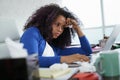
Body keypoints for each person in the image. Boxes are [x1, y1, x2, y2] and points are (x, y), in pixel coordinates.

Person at [20, 3, 92, 67]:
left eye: (63, 27)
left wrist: (77, 28)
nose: (60, 30)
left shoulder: (54, 47)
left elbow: (87, 51)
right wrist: (65, 59)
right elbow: (31, 61)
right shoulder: (32, 33)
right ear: (47, 21)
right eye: (57, 24)